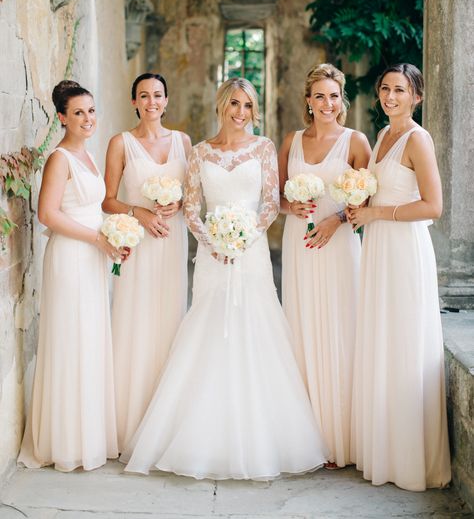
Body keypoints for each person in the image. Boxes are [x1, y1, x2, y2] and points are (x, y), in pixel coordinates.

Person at [121, 77, 328, 480]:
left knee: (256, 330)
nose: (240, 113)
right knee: (208, 331)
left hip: (250, 254)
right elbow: (191, 208)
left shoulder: (264, 148)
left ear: (254, 110)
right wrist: (213, 241)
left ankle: (261, 436)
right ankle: (200, 436)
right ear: (221, 106)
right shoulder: (198, 153)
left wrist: (245, 237)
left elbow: (270, 203)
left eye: (247, 106)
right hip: (213, 256)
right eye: (234, 104)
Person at [347, 63, 451, 490]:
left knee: (405, 341)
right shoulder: (382, 137)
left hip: (405, 250)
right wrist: (355, 203)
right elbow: (377, 189)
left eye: (400, 90)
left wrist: (376, 212)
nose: (390, 96)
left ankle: (410, 459)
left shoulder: (416, 139)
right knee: (382, 340)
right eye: (385, 89)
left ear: (416, 97)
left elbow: (433, 206)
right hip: (378, 249)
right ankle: (384, 452)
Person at [18, 80, 122, 472]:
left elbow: (94, 208)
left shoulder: (89, 157)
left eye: (91, 111)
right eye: (78, 113)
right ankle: (64, 441)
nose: (88, 118)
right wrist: (98, 238)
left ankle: (87, 436)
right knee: (71, 341)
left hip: (93, 255)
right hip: (70, 257)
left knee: (89, 340)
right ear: (62, 118)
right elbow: (48, 215)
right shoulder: (59, 158)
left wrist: (112, 236)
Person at [279, 63, 371, 469]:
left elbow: (367, 198)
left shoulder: (356, 141)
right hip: (299, 245)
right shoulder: (292, 141)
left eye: (334, 96)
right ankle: (307, 437)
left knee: (339, 326)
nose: (327, 103)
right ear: (308, 101)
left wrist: (335, 221)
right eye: (320, 96)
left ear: (342, 100)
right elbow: (276, 196)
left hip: (337, 243)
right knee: (303, 326)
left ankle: (341, 438)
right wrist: (290, 205)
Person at [103, 73, 191, 452]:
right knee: (133, 325)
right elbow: (107, 200)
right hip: (137, 245)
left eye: (158, 95)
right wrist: (138, 211)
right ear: (134, 101)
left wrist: (181, 203)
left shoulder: (184, 142)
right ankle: (127, 425)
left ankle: (164, 426)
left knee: (170, 324)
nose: (151, 101)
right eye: (144, 95)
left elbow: (195, 197)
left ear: (167, 100)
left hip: (171, 244)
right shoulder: (120, 143)